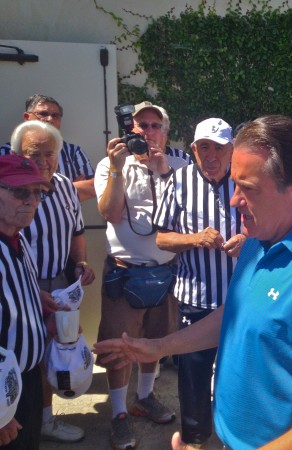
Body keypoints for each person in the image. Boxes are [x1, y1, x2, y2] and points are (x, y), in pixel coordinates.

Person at [95, 115, 292, 450]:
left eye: (248, 189)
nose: (234, 201)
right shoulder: (260, 240)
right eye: (235, 185)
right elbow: (235, 314)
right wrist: (159, 347)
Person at [94, 101, 189, 450]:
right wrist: (118, 169)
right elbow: (110, 212)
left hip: (165, 272)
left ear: (165, 132)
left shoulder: (181, 166)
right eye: (141, 125)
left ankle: (144, 397)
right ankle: (119, 413)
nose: (148, 132)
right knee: (119, 347)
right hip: (125, 272)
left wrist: (163, 174)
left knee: (156, 341)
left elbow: (185, 218)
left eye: (155, 125)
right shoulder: (110, 163)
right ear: (130, 129)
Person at [153, 118, 244, 450]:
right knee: (193, 377)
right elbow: (161, 238)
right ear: (193, 150)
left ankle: (237, 437)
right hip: (196, 299)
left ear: (232, 150)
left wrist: (248, 239)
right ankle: (194, 439)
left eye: (219, 147)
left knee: (240, 373)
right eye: (204, 147)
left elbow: (272, 226)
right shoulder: (179, 181)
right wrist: (194, 239)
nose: (212, 155)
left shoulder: (246, 180)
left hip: (242, 300)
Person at [10, 120, 96, 443]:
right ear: (17, 154)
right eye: (34, 153)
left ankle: (42, 420)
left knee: (53, 352)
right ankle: (15, 421)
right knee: (23, 355)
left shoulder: (65, 187)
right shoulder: (10, 192)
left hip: (59, 283)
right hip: (20, 287)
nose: (44, 161)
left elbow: (77, 232)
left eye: (50, 153)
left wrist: (81, 263)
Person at [0, 154, 53, 449]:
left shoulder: (18, 239)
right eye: (21, 192)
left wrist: (40, 307)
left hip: (28, 380)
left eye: (37, 193)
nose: (32, 201)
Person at [0, 94, 96, 202]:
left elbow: (94, 186)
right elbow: (6, 189)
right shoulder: (6, 152)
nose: (50, 119)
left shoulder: (73, 152)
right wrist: (68, 189)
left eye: (55, 115)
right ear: (27, 117)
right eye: (43, 114)